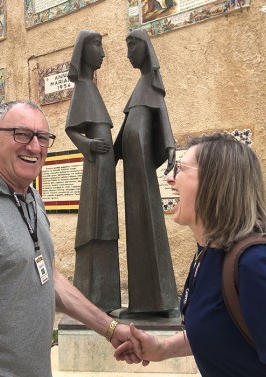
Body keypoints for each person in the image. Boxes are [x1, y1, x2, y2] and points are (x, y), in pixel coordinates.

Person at [0, 100, 135, 377]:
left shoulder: (31, 197)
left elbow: (50, 277)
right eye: (21, 134)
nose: (35, 147)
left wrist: (110, 329)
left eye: (43, 138)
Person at [114, 133, 266, 377]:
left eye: (180, 169)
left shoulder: (260, 267)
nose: (170, 178)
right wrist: (162, 349)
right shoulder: (209, 253)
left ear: (215, 183)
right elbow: (223, 328)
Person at [114, 29, 178, 316]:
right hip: (132, 167)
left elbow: (161, 115)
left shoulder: (151, 83)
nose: (128, 55)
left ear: (144, 49)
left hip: (141, 167)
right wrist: (111, 155)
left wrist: (170, 145)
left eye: (131, 48)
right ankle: (143, 301)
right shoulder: (139, 85)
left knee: (147, 226)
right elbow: (127, 128)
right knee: (137, 227)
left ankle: (158, 301)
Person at [65, 30, 121, 313]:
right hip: (96, 170)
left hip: (104, 171)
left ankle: (107, 297)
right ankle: (93, 294)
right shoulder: (83, 88)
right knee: (97, 225)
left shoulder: (92, 88)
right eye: (97, 45)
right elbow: (71, 129)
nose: (102, 52)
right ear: (84, 51)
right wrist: (89, 144)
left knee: (107, 226)